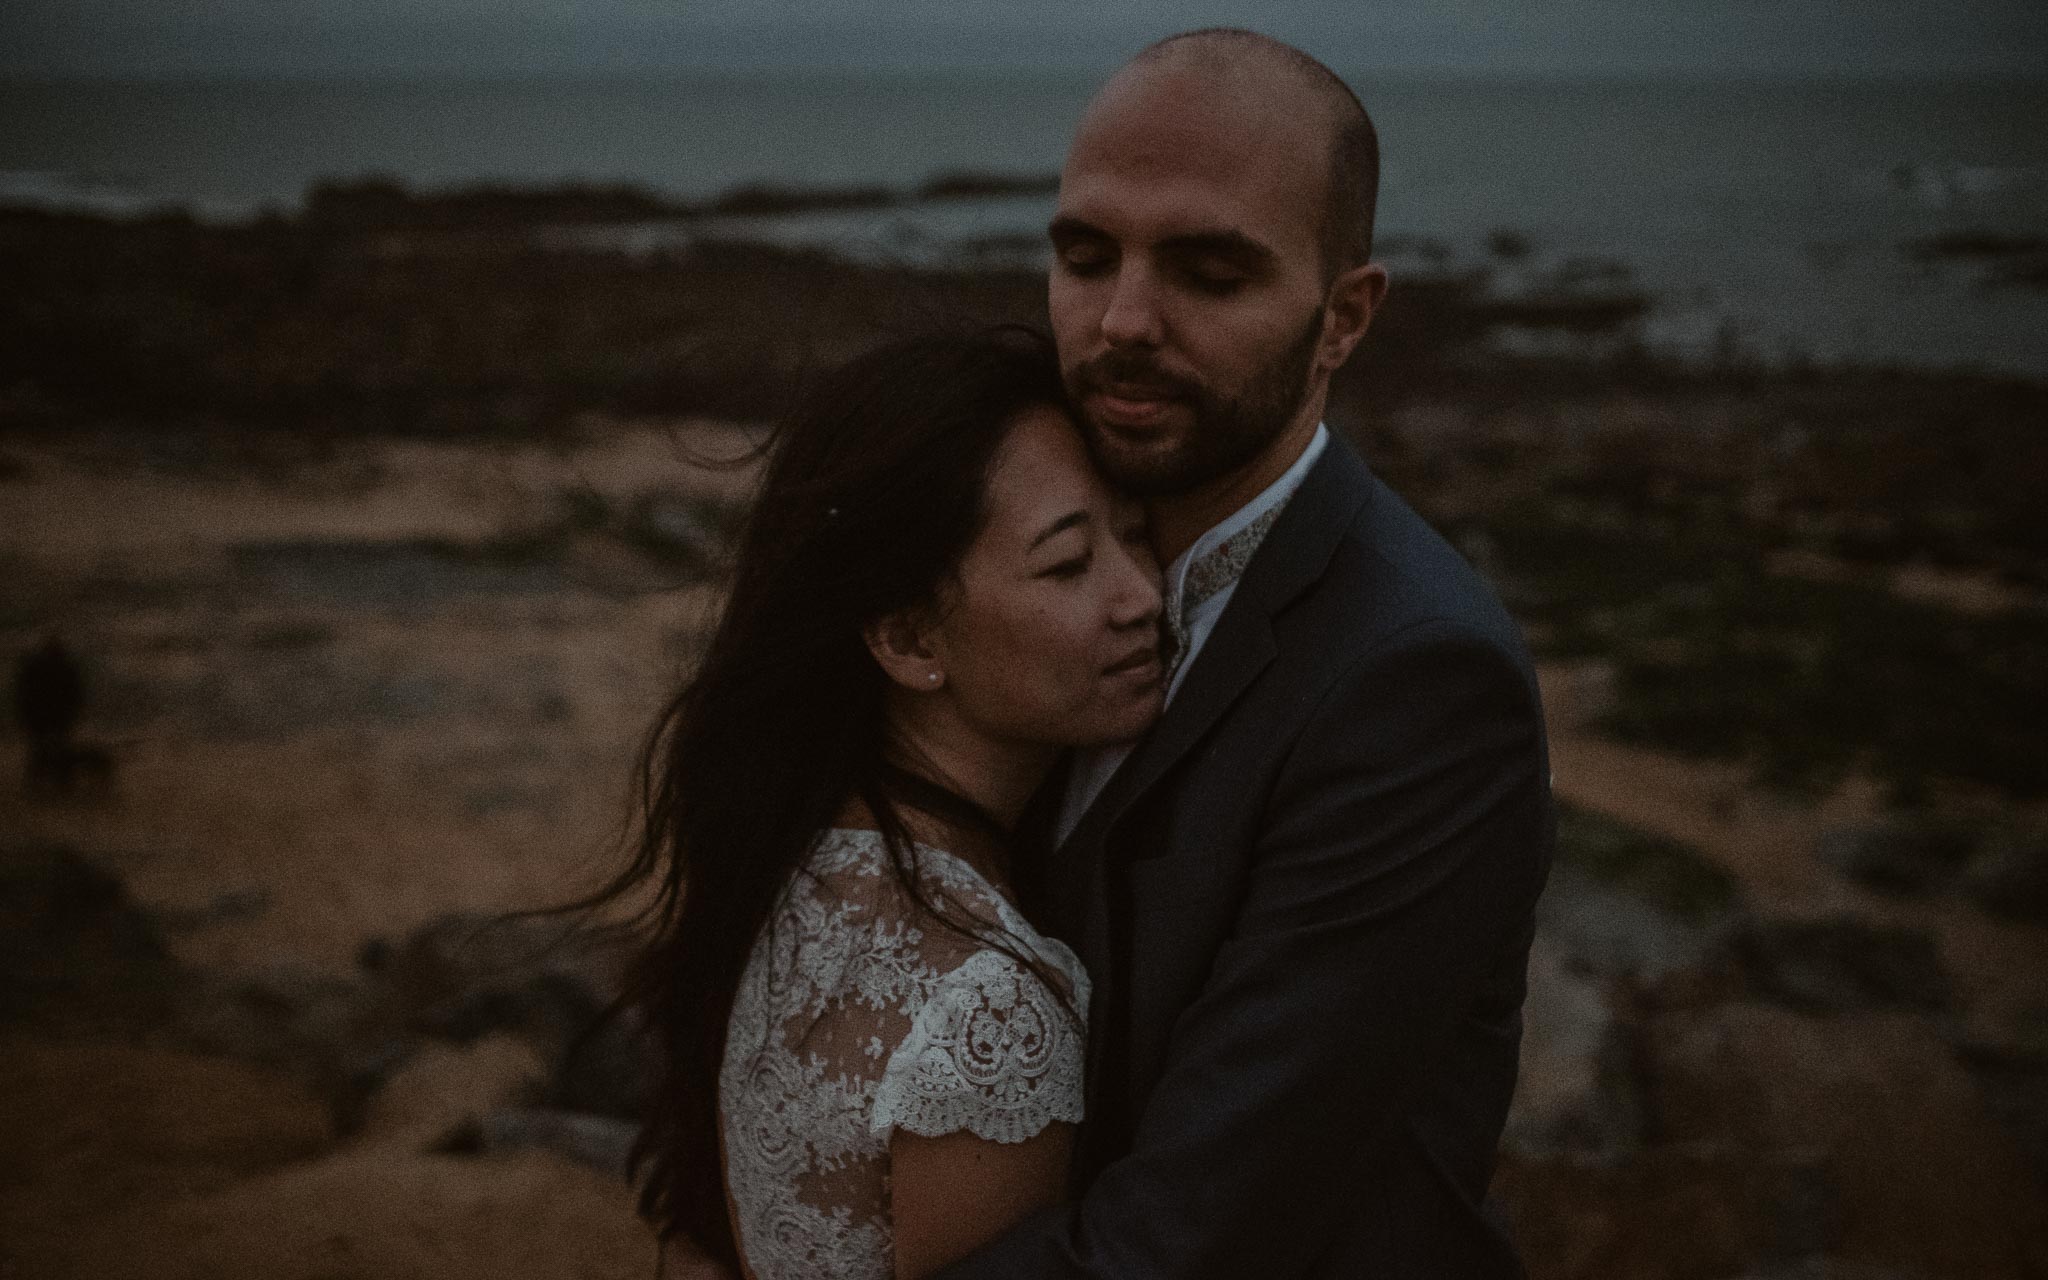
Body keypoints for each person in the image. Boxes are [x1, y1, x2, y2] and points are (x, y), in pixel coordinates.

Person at [928, 29, 1555, 1278]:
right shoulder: (993, 554)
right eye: (1082, 254)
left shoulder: (1416, 682)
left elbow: (1187, 1240)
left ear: (1342, 318)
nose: (1119, 321)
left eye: (1208, 273)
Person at [600, 329, 1166, 1279]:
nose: (1143, 596)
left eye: (1139, 535)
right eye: (1070, 565)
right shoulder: (990, 1013)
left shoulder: (786, 873)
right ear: (908, 639)